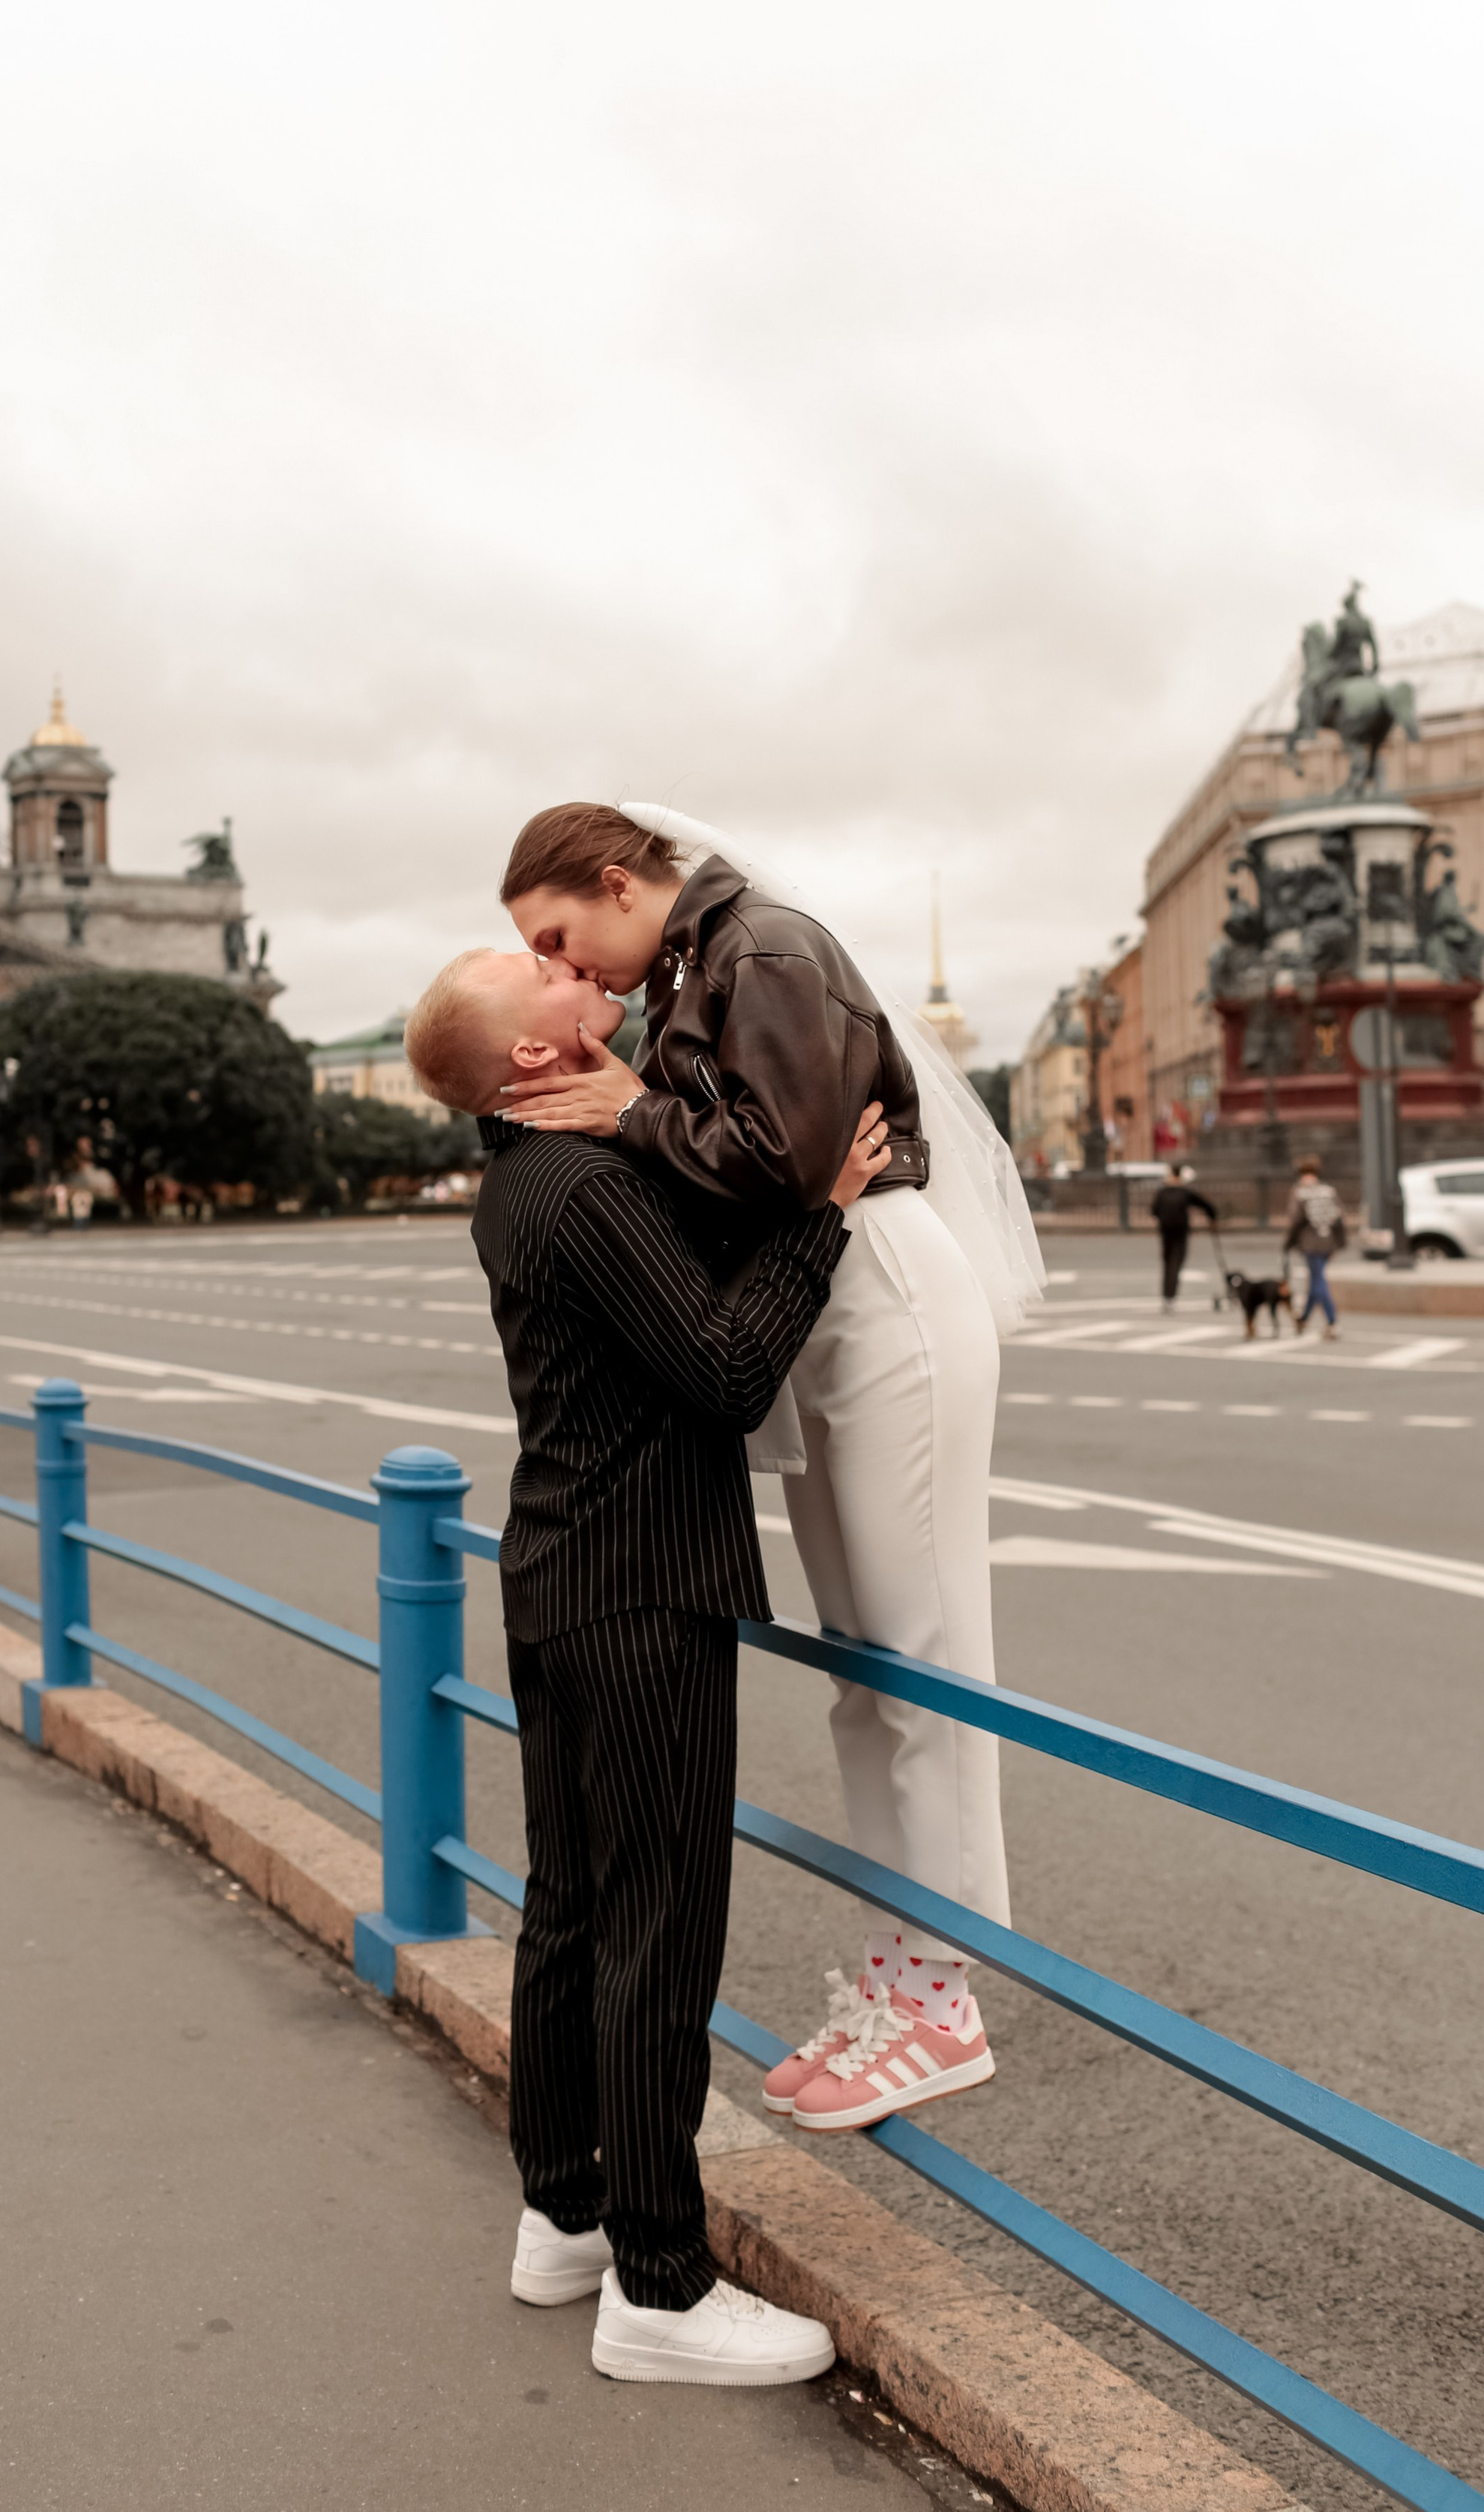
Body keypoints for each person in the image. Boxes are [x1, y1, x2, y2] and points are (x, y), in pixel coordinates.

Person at [495, 801, 1044, 2132]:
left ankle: (944, 1999)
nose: (571, 976)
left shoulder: (768, 951)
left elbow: (792, 1164)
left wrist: (630, 1108)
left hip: (887, 1308)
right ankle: (899, 1966)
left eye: (563, 942)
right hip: (831, 1316)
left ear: (622, 882)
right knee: (867, 1669)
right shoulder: (706, 960)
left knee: (920, 1654)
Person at [404, 942, 889, 2386]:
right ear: (534, 1060)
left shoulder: (524, 1183)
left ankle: (562, 2215)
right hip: (639, 1586)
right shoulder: (583, 1188)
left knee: (568, 1908)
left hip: (558, 1574)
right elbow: (729, 1372)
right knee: (656, 1928)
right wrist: (827, 1212)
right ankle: (661, 2288)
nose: (570, 972)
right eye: (540, 980)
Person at [1287, 1158, 1345, 1338]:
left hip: (1310, 1243)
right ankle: (1304, 1319)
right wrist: (1339, 1243)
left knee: (1319, 1281)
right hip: (1328, 1241)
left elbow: (1295, 1221)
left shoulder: (1300, 1193)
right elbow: (1339, 1217)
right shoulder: (1328, 1191)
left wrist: (1288, 1243)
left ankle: (1331, 1321)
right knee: (1315, 1280)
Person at [1149, 1161, 1217, 1309]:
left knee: (1168, 1264)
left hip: (1166, 1232)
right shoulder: (1184, 1192)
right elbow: (1205, 1205)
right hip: (1180, 1232)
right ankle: (1170, 1297)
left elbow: (1153, 1211)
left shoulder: (1162, 1192)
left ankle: (1167, 1297)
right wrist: (1212, 1217)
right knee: (1176, 1263)